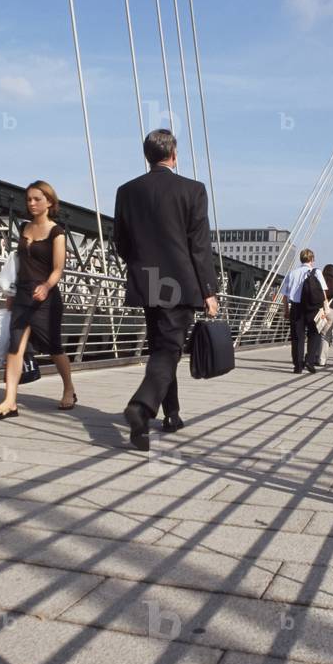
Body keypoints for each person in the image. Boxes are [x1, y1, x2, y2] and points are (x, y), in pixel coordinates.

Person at [114, 129, 218, 451]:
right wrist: (209, 290)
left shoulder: (127, 191)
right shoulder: (193, 190)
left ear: (147, 156)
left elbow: (121, 240)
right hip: (180, 284)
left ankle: (171, 414)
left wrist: (140, 264)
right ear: (174, 154)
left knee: (161, 346)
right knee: (169, 350)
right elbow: (198, 246)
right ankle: (142, 407)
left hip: (148, 281)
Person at [0, 180, 75, 419]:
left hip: (46, 298)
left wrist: (47, 286)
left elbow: (58, 268)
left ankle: (69, 388)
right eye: (29, 199)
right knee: (15, 347)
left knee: (53, 347)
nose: (32, 203)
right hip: (22, 295)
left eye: (37, 199)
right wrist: (10, 293)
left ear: (49, 201)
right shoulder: (24, 228)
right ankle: (10, 400)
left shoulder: (57, 233)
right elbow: (19, 265)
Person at [280, 249, 328, 374]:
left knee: (297, 337)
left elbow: (285, 296)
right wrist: (324, 309)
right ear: (312, 259)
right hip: (314, 309)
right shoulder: (317, 272)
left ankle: (298, 366)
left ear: (301, 259)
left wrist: (286, 310)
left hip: (296, 308)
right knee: (315, 334)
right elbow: (323, 293)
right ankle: (310, 361)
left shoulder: (292, 273)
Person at [307, 262, 333, 367]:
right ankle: (322, 359)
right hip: (331, 311)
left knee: (316, 333)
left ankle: (313, 357)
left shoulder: (321, 281)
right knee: (325, 336)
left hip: (320, 310)